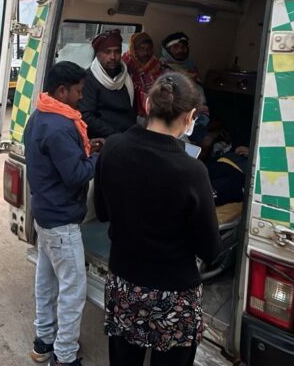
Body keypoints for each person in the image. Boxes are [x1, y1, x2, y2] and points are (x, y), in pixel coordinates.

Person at [94, 73, 222, 366]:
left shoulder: (112, 147)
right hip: (174, 295)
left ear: (147, 104)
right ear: (190, 117)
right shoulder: (193, 172)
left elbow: (102, 212)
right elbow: (210, 250)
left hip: (124, 284)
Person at [25, 61, 102, 366]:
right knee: (73, 290)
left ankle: (43, 341)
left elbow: (60, 160)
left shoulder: (41, 114)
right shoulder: (60, 126)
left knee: (46, 280)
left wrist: (86, 149)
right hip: (62, 222)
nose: (81, 97)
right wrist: (98, 157)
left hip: (44, 214)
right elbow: (76, 175)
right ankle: (65, 356)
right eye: (78, 91)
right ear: (61, 91)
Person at [80, 29, 135, 138]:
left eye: (117, 51)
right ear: (98, 54)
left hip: (129, 134)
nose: (113, 57)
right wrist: (117, 135)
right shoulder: (89, 78)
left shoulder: (125, 74)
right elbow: (86, 117)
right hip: (105, 137)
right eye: (107, 52)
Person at [160, 32, 210, 141]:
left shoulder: (191, 67)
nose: (180, 50)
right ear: (168, 50)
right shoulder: (161, 68)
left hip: (198, 117)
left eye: (183, 47)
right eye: (175, 47)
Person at [121, 31, 162, 117]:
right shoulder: (124, 66)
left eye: (149, 49)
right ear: (134, 49)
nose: (146, 52)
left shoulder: (157, 65)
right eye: (141, 48)